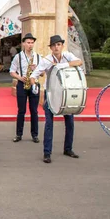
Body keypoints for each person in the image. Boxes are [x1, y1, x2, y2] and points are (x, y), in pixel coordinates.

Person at [30, 35, 82, 164]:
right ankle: (47, 153)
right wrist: (34, 86)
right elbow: (34, 75)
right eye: (54, 45)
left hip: (65, 94)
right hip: (51, 94)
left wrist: (63, 65)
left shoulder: (67, 55)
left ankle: (68, 149)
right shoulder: (46, 60)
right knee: (49, 124)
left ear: (62, 46)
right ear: (51, 47)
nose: (56, 47)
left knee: (70, 122)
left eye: (59, 44)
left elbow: (79, 62)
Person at [9, 33, 42, 143]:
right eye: (28, 43)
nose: (30, 45)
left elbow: (42, 74)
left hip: (34, 84)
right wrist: (20, 77)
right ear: (23, 43)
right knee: (21, 110)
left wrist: (37, 68)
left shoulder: (38, 57)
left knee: (34, 111)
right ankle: (19, 134)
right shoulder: (18, 57)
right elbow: (12, 71)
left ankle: (35, 134)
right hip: (22, 84)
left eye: (32, 43)